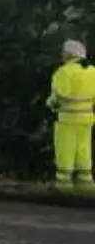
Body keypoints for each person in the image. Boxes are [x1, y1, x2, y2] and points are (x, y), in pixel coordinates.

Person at [47, 40, 94, 190]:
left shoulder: (63, 72)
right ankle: (86, 182)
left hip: (67, 118)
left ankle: (64, 183)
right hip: (87, 118)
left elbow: (57, 97)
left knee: (65, 149)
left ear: (69, 55)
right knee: (84, 148)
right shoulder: (92, 72)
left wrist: (50, 104)